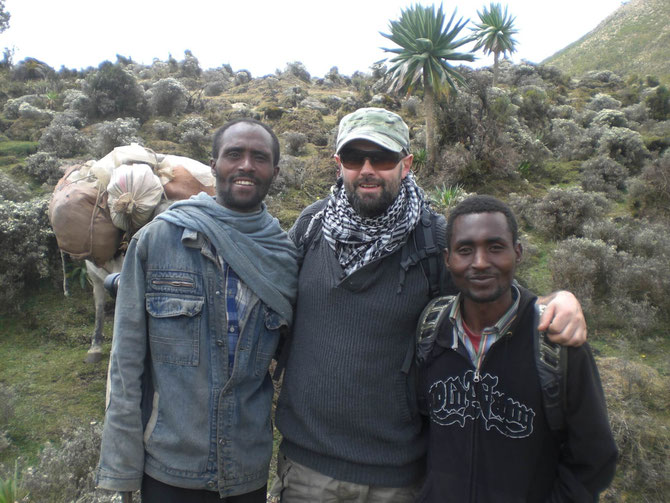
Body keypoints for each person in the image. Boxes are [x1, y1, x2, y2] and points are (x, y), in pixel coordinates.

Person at [272, 107, 589, 502]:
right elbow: (264, 285)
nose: (367, 169)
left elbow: (499, 301)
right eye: (355, 158)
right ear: (339, 165)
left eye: (383, 158)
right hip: (308, 470)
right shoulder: (310, 225)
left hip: (399, 476)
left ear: (406, 164)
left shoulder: (434, 238)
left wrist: (557, 301)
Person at [96, 118, 298, 502]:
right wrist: (122, 469)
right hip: (168, 472)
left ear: (275, 171)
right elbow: (125, 366)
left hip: (246, 472)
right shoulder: (158, 240)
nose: (246, 165)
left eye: (260, 157)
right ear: (215, 164)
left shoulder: (284, 257)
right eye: (234, 154)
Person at [417, 195, 617, 502]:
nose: (480, 262)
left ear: (518, 252)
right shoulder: (432, 331)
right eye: (465, 250)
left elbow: (594, 457)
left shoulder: (555, 343)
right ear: (447, 259)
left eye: (495, 247)